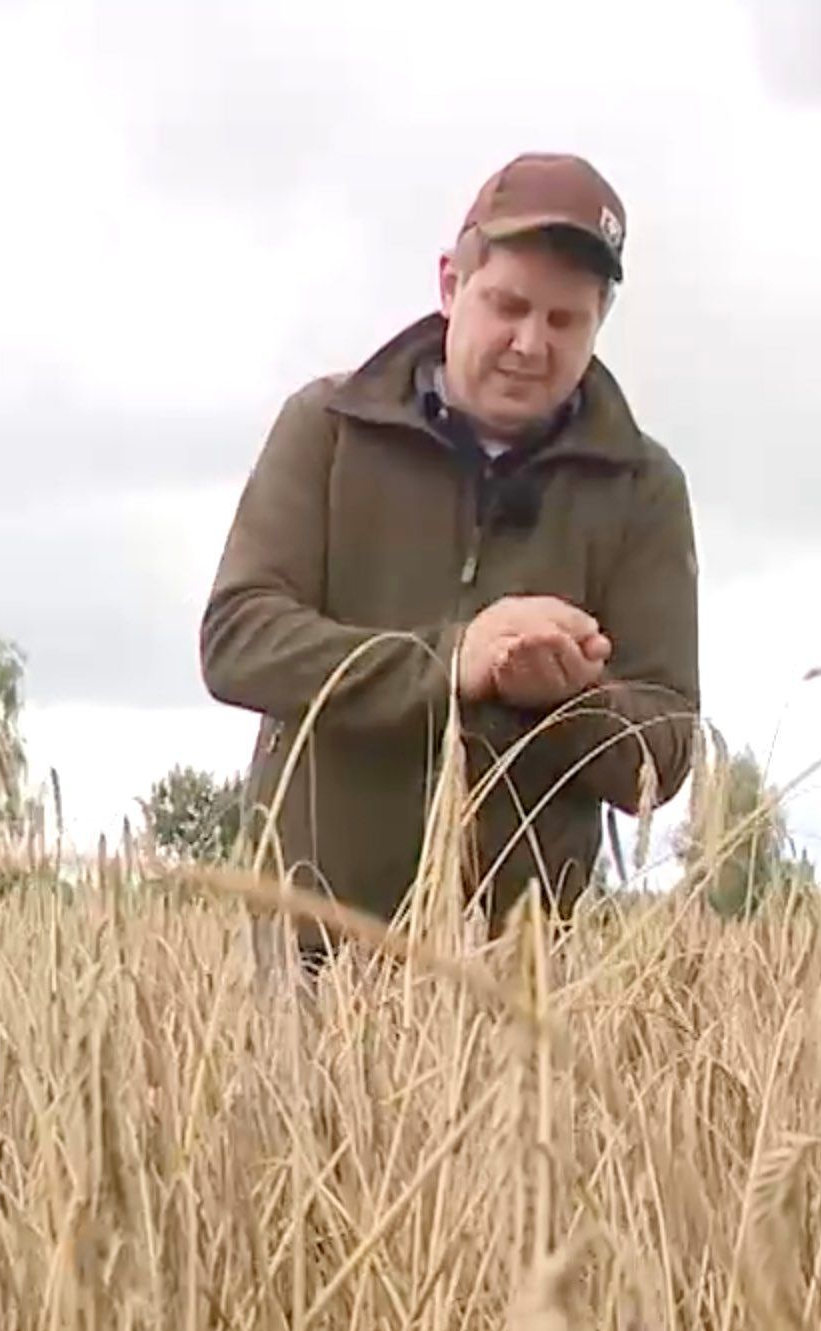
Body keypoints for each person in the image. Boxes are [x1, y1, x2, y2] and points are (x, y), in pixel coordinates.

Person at [198, 150, 700, 969]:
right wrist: (455, 660)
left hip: (516, 977)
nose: (530, 343)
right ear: (449, 285)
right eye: (508, 305)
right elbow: (238, 641)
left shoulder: (642, 489)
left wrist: (572, 697)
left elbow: (666, 751)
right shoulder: (327, 430)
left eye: (565, 320)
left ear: (600, 321)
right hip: (314, 951)